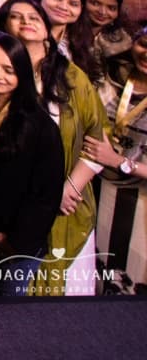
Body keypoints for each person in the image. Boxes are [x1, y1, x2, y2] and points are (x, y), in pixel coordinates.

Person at [0, 0, 108, 295]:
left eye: (34, 16)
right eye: (16, 17)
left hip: (67, 202)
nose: (26, 21)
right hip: (11, 209)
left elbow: (98, 142)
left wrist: (66, 189)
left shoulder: (72, 78)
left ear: (47, 28)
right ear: (3, 26)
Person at [0, 33, 63, 297]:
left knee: (1, 323)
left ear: (23, 73)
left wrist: (14, 241)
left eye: (9, 69)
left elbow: (46, 195)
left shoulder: (40, 125)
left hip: (12, 247)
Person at [83, 26, 147, 294]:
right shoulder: (110, 76)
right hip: (94, 186)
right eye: (144, 43)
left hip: (137, 198)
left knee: (125, 282)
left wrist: (118, 161)